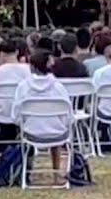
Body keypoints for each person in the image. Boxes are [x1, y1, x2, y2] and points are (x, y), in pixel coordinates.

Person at [12, 50, 74, 183]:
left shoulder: (23, 87)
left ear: (31, 67)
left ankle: (25, 172)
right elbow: (68, 115)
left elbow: (15, 115)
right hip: (57, 133)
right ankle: (56, 175)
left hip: (30, 132)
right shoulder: (58, 87)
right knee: (55, 132)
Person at [0, 39, 31, 151]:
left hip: (1, 113)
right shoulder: (28, 70)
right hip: (23, 112)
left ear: (1, 54)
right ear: (17, 52)